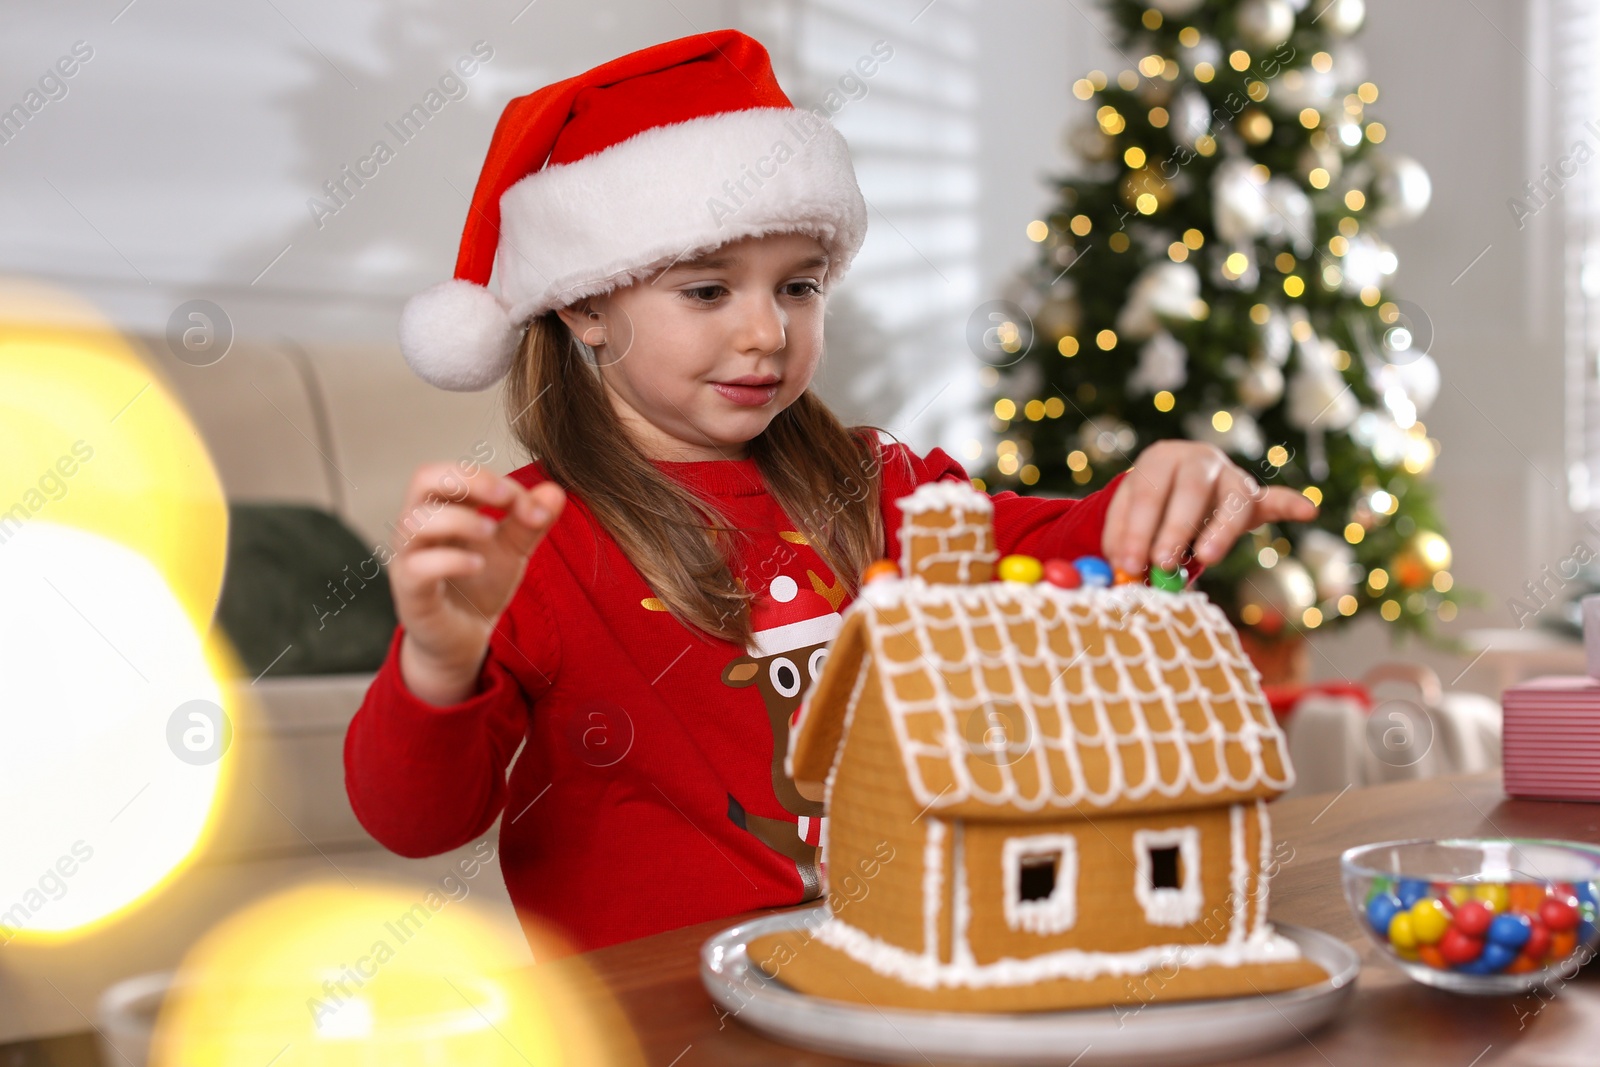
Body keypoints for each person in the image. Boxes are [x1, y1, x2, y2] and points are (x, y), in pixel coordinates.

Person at [344, 29, 1316, 956]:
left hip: (899, 974)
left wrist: (1171, 479)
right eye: (708, 290)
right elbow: (417, 822)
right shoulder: (529, 539)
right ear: (587, 305)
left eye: (798, 286)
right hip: (663, 1020)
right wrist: (439, 660)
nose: (767, 332)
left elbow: (1073, 549)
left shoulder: (886, 489)